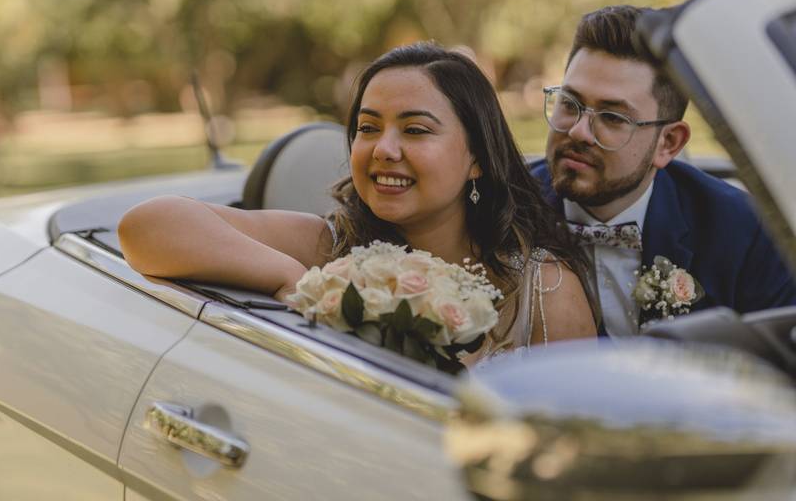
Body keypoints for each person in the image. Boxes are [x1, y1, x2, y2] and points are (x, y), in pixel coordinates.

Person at [120, 42, 596, 360]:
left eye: (415, 130)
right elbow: (147, 226)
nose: (383, 149)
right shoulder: (329, 249)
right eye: (368, 128)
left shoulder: (544, 290)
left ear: (477, 158)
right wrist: (303, 283)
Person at [532, 5, 796, 337]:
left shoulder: (744, 232)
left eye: (613, 118)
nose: (578, 132)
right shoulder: (498, 209)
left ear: (668, 143)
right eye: (569, 104)